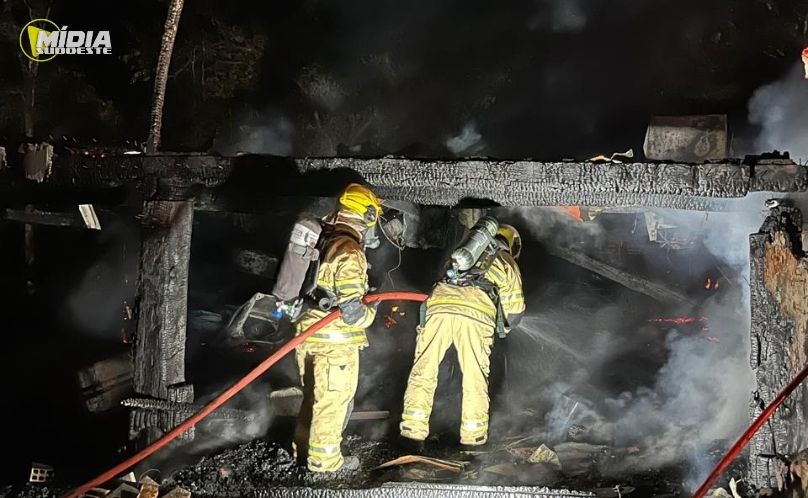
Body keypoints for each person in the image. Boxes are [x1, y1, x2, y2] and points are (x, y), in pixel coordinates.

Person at [400, 221, 525, 447]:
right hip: (475, 315)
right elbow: (514, 314)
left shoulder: (461, 254)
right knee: (474, 377)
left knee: (424, 367)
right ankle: (473, 438)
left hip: (438, 307)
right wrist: (505, 327)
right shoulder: (507, 263)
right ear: (511, 245)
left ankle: (412, 431)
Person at [294, 183, 383, 473]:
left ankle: (303, 452)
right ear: (368, 215)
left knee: (312, 398)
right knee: (332, 402)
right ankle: (325, 465)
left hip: (307, 334)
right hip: (334, 342)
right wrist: (372, 312)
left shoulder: (322, 238)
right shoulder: (350, 251)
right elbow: (352, 313)